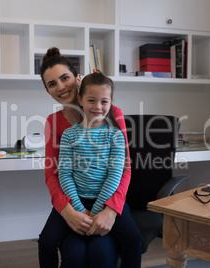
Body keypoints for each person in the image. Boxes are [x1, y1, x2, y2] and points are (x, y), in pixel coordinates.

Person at [38, 47, 141, 268]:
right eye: (52, 84)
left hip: (107, 199)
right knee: (52, 245)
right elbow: (54, 173)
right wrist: (69, 210)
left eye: (64, 78)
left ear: (77, 78)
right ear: (48, 91)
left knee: (109, 251)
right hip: (74, 199)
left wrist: (110, 210)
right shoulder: (59, 126)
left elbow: (123, 169)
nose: (61, 87)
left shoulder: (113, 115)